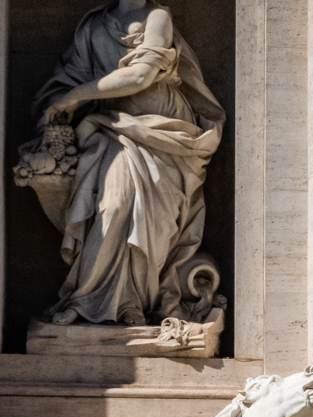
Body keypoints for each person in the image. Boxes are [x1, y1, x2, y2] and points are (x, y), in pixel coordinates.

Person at [30, 0, 223, 327]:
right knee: (115, 205)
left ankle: (135, 303)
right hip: (111, 127)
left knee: (149, 218)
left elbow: (141, 76)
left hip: (164, 133)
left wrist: (73, 97)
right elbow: (70, 77)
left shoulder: (157, 16)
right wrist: (58, 103)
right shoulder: (93, 26)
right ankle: (87, 299)